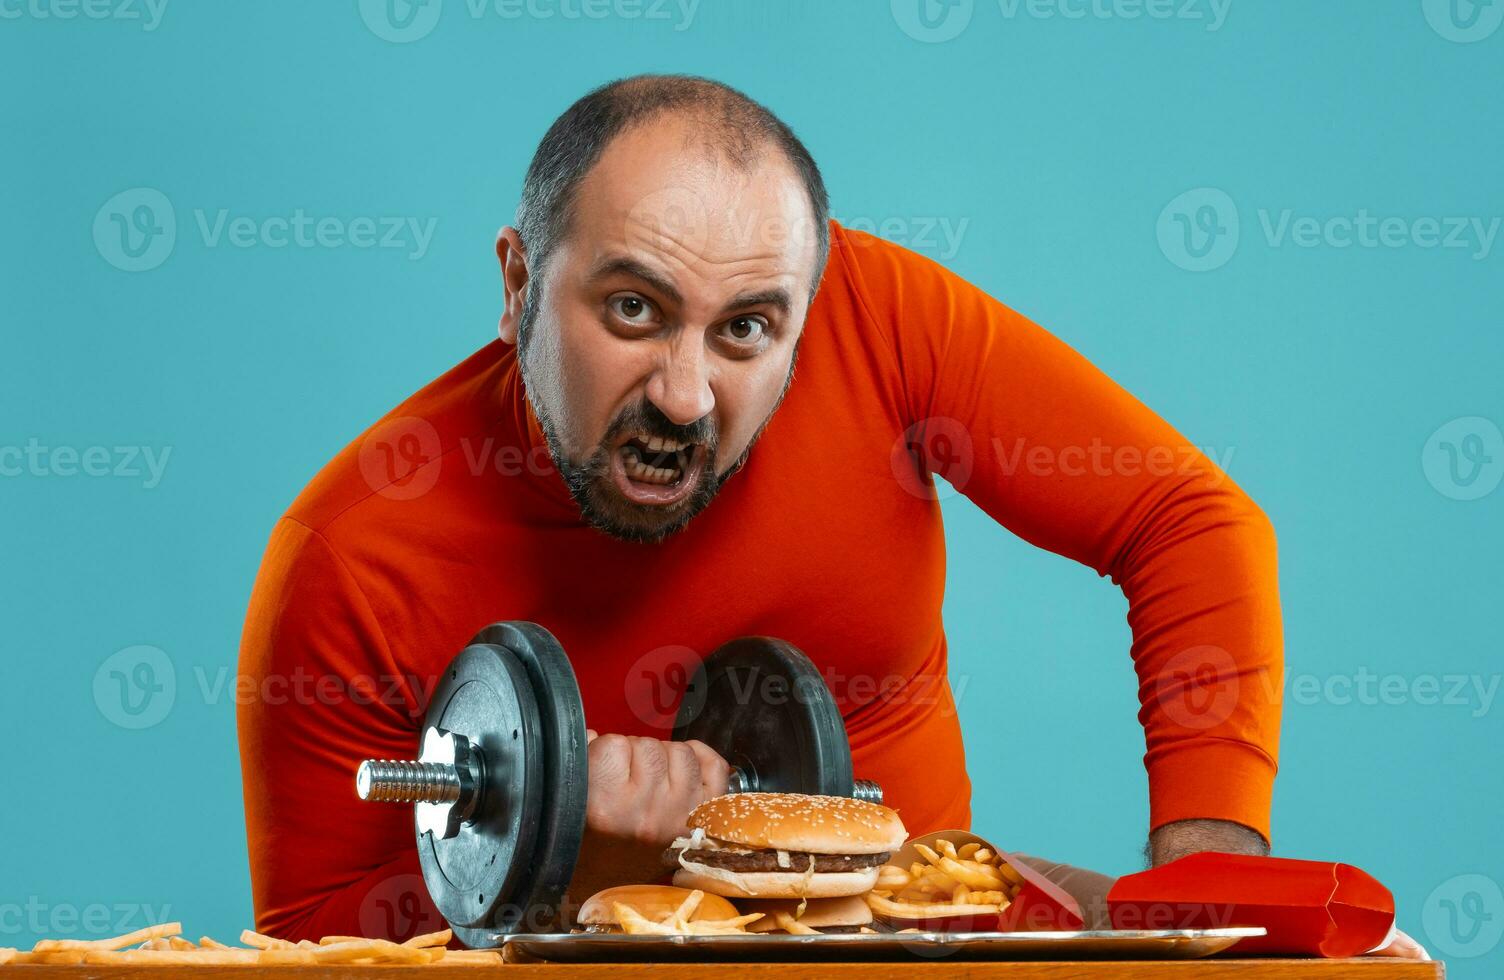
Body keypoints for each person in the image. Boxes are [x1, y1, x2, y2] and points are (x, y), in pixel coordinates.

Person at [239, 73, 1418, 957]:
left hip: (911, 955)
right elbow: (315, 949)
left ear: (809, 303)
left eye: (747, 328)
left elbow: (1186, 518)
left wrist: (1204, 876)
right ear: (516, 285)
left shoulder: (882, 318)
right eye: (635, 308)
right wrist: (581, 864)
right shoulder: (351, 556)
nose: (686, 394)